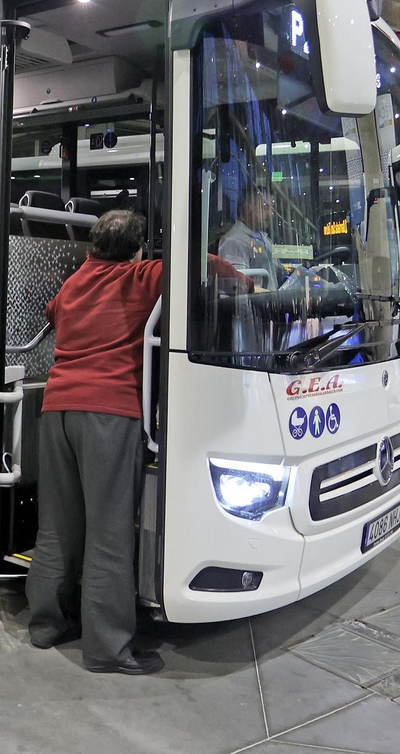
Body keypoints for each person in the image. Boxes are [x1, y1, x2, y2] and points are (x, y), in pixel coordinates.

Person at [27, 210, 248, 675]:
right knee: (108, 535)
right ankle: (106, 650)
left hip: (56, 410)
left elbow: (52, 314)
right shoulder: (141, 276)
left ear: (91, 248)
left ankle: (46, 626)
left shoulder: (74, 283)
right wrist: (249, 283)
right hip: (108, 414)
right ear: (137, 249)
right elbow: (207, 266)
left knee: (57, 527)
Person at [219, 185, 283, 289]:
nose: (270, 214)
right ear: (247, 208)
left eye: (272, 208)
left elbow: (278, 272)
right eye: (265, 207)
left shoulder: (264, 239)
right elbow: (238, 293)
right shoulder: (234, 242)